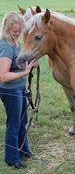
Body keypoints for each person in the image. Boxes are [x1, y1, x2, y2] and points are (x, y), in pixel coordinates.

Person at [0, 12, 37, 168]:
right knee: (14, 123)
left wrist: (29, 63)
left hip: (18, 88)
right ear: (7, 29)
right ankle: (11, 158)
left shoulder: (14, 42)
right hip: (10, 90)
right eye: (14, 31)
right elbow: (3, 76)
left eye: (19, 31)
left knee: (22, 121)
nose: (17, 34)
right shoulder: (6, 46)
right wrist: (25, 72)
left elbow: (16, 64)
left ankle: (23, 150)